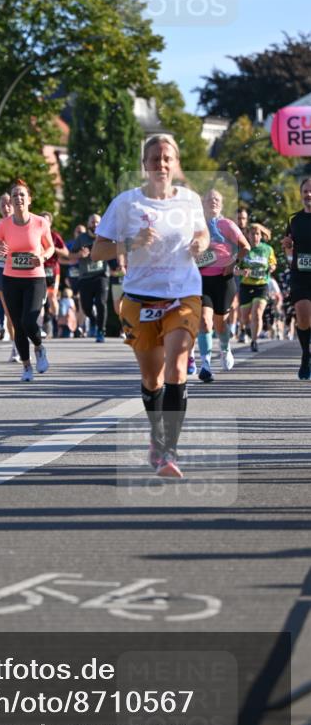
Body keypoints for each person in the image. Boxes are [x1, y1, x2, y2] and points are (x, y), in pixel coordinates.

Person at [91, 134, 209, 478]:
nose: (161, 164)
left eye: (167, 158)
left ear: (176, 164)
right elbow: (98, 251)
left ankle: (169, 450)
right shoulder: (126, 203)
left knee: (177, 366)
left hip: (183, 294)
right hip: (140, 297)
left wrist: (200, 242)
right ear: (144, 165)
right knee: (152, 377)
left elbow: (202, 234)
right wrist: (129, 243)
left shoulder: (189, 200)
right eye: (155, 158)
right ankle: (157, 439)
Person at [0, 178, 54, 381]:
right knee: (17, 324)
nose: (18, 198)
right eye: (15, 195)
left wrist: (42, 257)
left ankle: (39, 347)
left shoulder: (41, 222)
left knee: (29, 321)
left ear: (29, 199)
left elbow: (50, 247)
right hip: (11, 279)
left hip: (35, 278)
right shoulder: (3, 225)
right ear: (11, 202)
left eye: (22, 195)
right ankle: (26, 366)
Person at [195, 188, 250, 382]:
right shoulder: (196, 225)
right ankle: (206, 364)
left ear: (222, 204)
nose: (213, 202)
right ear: (203, 203)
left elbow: (245, 247)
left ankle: (225, 348)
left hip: (223, 281)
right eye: (209, 199)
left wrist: (232, 262)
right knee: (204, 321)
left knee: (221, 324)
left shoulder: (226, 224)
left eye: (217, 199)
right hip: (202, 280)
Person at [283, 177, 311, 380]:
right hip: (300, 273)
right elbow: (288, 250)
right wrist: (287, 247)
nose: (309, 195)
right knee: (302, 315)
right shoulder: (294, 219)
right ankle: (305, 355)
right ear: (301, 194)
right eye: (306, 191)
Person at [66, 213, 109, 342]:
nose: (95, 225)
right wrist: (80, 254)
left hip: (101, 275)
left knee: (101, 303)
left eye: (97, 222)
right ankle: (95, 321)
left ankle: (101, 331)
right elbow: (70, 255)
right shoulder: (81, 239)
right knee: (86, 307)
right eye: (92, 222)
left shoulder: (105, 237)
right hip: (85, 277)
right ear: (88, 224)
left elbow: (114, 250)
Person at [0, 192, 19, 361]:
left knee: (22, 313)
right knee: (10, 313)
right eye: (2, 205)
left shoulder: (24, 223)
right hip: (2, 270)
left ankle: (26, 342)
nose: (6, 208)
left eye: (9, 204)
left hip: (23, 270)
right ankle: (16, 347)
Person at [237, 223, 277, 353]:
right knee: (244, 317)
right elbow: (235, 268)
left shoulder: (267, 249)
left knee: (257, 312)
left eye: (257, 234)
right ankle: (247, 328)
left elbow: (273, 264)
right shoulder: (243, 249)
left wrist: (272, 267)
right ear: (247, 235)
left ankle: (254, 341)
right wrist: (242, 272)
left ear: (261, 235)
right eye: (252, 233)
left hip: (262, 285)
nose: (255, 236)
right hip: (246, 286)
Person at [41, 211, 69, 337]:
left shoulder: (54, 236)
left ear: (50, 223)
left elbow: (66, 252)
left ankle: (56, 320)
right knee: (40, 300)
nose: (44, 223)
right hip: (38, 270)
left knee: (52, 297)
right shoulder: (34, 234)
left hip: (52, 270)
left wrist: (51, 248)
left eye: (46, 220)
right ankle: (43, 324)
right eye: (41, 220)